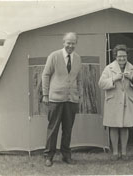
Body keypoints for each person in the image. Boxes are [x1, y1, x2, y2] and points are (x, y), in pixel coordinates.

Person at [42, 32, 82, 167]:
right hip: (55, 99)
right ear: (63, 42)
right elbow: (45, 75)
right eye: (68, 42)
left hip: (72, 100)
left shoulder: (77, 58)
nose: (70, 45)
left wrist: (79, 95)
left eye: (73, 43)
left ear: (76, 44)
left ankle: (66, 155)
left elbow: (79, 78)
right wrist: (45, 95)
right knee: (53, 128)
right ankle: (48, 156)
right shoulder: (54, 56)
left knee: (68, 129)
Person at [98, 44, 133, 160]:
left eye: (124, 56)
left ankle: (123, 153)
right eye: (119, 56)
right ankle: (115, 153)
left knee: (125, 127)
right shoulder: (109, 68)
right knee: (113, 126)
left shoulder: (132, 69)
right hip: (113, 101)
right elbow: (101, 84)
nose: (122, 59)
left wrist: (132, 78)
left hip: (126, 102)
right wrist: (114, 78)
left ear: (127, 56)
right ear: (115, 56)